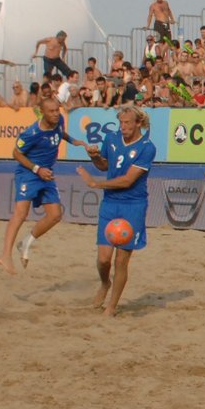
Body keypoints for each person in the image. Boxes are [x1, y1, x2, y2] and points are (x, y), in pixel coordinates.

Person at [77, 105, 156, 317]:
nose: (123, 127)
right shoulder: (111, 138)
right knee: (103, 259)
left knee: (121, 260)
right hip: (110, 203)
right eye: (121, 122)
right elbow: (104, 165)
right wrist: (94, 156)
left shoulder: (147, 147)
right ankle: (105, 283)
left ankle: (111, 307)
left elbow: (127, 180)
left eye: (127, 123)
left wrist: (96, 184)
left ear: (138, 123)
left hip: (133, 206)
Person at [0, 95, 71, 273]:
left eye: (57, 110)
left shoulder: (59, 121)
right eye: (51, 111)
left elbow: (60, 133)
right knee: (21, 213)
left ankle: (25, 243)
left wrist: (76, 141)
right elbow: (16, 153)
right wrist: (37, 169)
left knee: (55, 215)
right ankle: (5, 254)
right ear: (42, 112)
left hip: (46, 173)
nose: (56, 114)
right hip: (29, 173)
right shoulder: (32, 133)